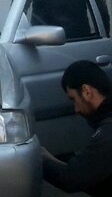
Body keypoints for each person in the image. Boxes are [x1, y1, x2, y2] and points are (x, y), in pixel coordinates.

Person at [42, 60, 112, 196]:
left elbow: (72, 179)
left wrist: (39, 159)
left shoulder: (108, 133)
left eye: (73, 99)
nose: (76, 109)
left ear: (86, 91)